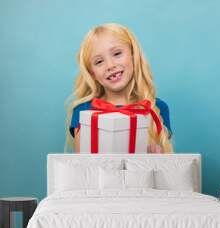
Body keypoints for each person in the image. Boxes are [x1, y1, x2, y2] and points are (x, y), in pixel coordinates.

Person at [64, 23, 173, 153]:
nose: (110, 65)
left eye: (117, 53)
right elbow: (84, 165)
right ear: (92, 73)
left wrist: (156, 157)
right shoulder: (83, 111)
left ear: (133, 55)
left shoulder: (157, 108)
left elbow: (165, 166)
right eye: (99, 62)